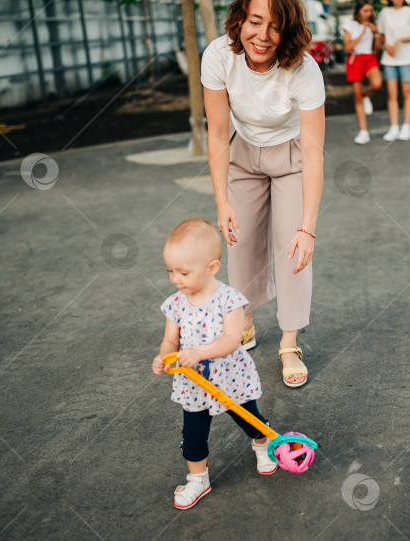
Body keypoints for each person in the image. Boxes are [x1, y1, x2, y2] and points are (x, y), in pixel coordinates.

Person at [201, 0, 326, 388]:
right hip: (241, 153)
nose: (263, 36)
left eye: (275, 27)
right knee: (241, 242)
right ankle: (247, 321)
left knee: (293, 250)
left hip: (290, 157)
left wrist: (307, 228)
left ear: (287, 30)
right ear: (240, 19)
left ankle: (289, 343)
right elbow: (218, 133)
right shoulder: (218, 56)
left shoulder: (304, 70)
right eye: (255, 22)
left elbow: (312, 152)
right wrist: (221, 201)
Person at [152, 218, 277, 510]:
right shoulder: (175, 303)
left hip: (229, 378)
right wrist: (164, 357)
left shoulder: (228, 300)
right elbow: (171, 340)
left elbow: (233, 339)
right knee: (193, 434)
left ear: (211, 268)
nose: (175, 279)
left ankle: (263, 443)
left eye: (183, 272)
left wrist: (199, 351)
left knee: (248, 417)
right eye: (170, 271)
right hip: (193, 382)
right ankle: (198, 479)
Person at [376, 0, 410, 141]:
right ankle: (394, 127)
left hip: (406, 59)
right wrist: (388, 46)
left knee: (407, 92)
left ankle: (406, 126)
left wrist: (400, 40)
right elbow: (382, 34)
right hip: (389, 59)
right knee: (392, 94)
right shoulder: (385, 13)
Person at [341, 0, 382, 144]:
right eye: (365, 11)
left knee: (377, 84)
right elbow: (346, 47)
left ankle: (366, 96)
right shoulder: (349, 25)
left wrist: (376, 33)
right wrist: (362, 33)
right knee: (356, 97)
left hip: (369, 58)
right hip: (355, 59)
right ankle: (363, 131)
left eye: (370, 11)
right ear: (358, 11)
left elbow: (376, 48)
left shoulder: (373, 26)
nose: (368, 14)